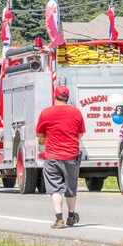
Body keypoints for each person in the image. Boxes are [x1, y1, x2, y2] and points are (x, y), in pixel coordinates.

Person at [35, 85, 86, 228]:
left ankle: (59, 219)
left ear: (55, 96)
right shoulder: (76, 113)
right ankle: (71, 216)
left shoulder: (46, 113)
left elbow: (39, 133)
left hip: (52, 156)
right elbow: (80, 133)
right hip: (71, 155)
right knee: (71, 188)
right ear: (67, 97)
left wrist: (49, 134)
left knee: (55, 189)